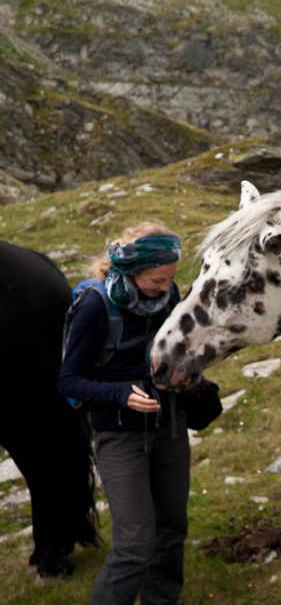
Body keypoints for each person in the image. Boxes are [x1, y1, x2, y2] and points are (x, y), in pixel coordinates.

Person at [58, 222, 187, 605]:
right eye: (157, 281)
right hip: (121, 437)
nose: (165, 289)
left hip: (170, 429)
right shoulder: (97, 305)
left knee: (171, 531)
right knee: (134, 545)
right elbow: (69, 382)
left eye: (170, 280)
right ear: (131, 270)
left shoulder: (170, 294)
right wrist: (119, 394)